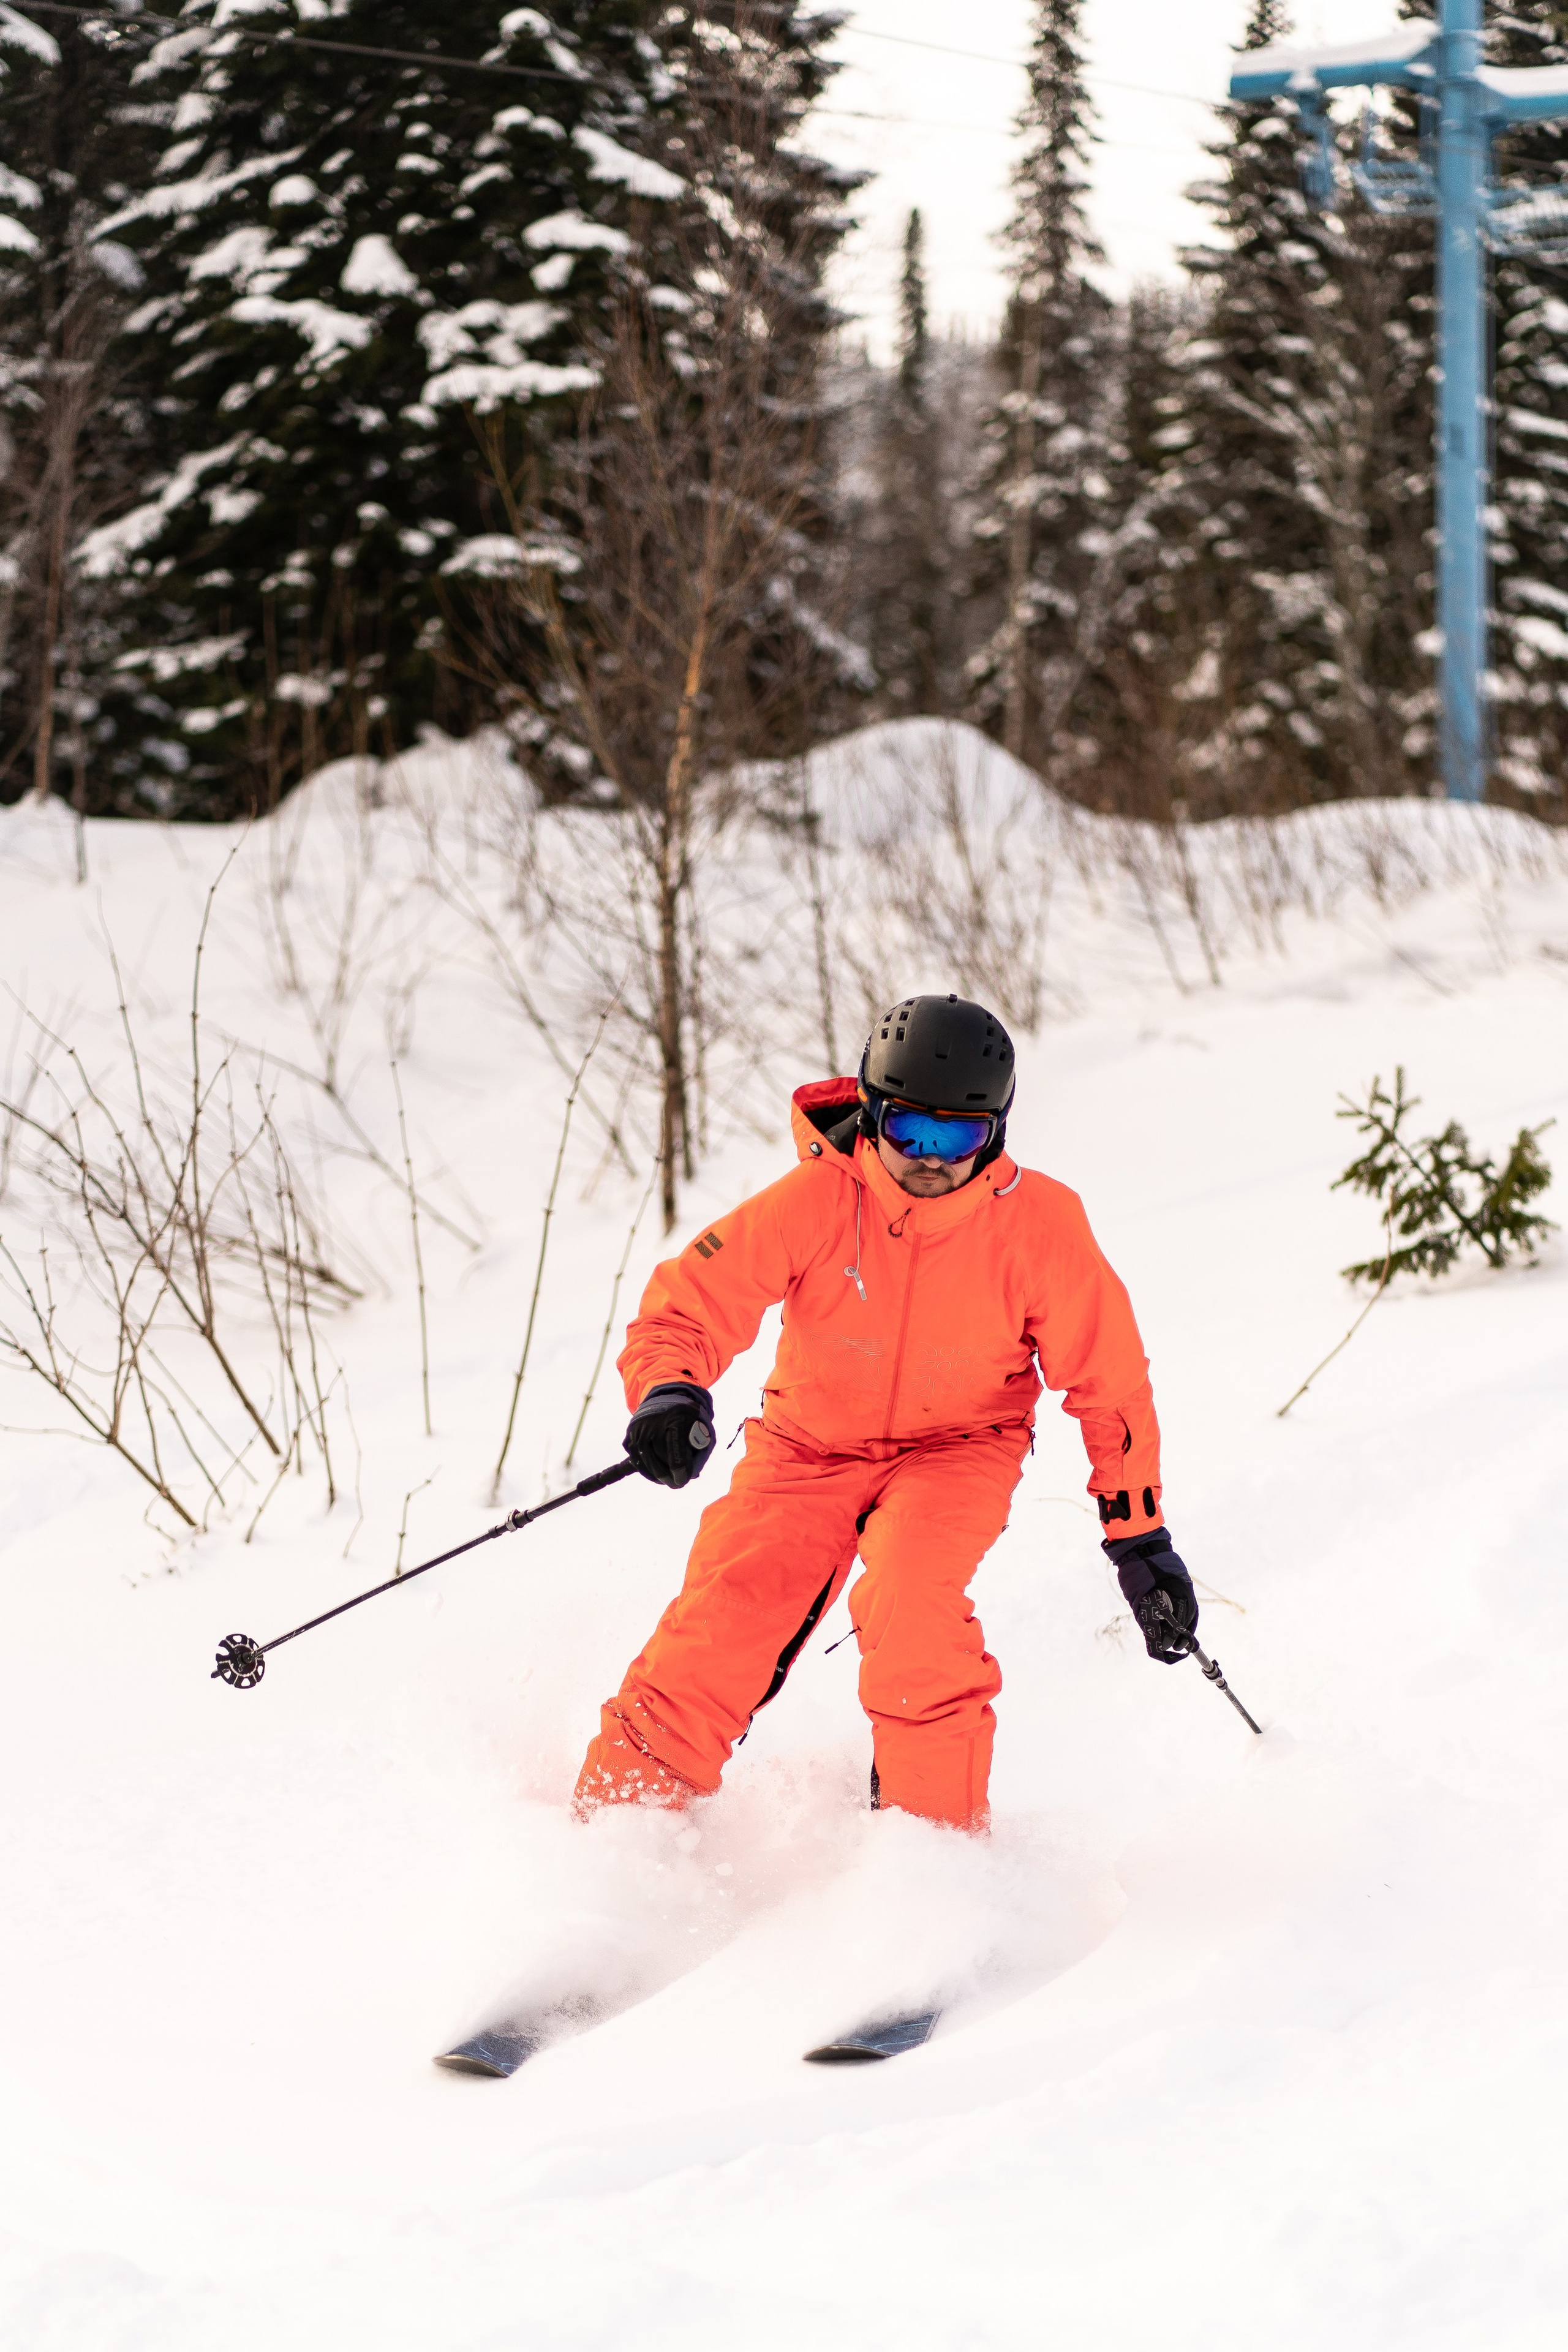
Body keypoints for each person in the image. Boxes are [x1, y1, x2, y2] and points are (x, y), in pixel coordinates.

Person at [573, 993, 1197, 1832]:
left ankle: (929, 1852)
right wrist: (669, 1388)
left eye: (958, 1137)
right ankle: (615, 1839)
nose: (930, 1160)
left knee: (910, 1600)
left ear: (998, 1131)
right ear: (870, 1112)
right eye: (909, 1131)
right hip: (805, 1448)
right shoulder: (816, 1202)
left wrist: (1139, 1535)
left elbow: (1109, 1384)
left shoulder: (1040, 1227)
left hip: (958, 1451)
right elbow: (690, 1305)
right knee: (728, 1612)